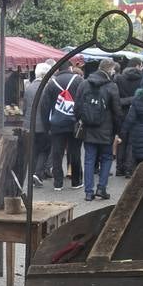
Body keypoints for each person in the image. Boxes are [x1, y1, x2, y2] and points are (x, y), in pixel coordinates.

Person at [75, 58, 123, 201]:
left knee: (89, 159)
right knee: (107, 158)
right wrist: (117, 130)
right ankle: (101, 188)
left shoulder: (84, 84)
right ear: (109, 70)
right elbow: (117, 111)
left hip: (89, 128)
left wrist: (80, 121)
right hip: (106, 129)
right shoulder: (112, 86)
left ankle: (88, 192)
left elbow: (77, 106)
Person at [39, 58, 84, 190]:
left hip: (57, 124)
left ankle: (58, 183)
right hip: (74, 123)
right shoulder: (78, 80)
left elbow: (44, 107)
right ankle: (76, 181)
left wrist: (47, 126)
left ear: (58, 69)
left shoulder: (51, 83)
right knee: (75, 152)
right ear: (70, 68)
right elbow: (82, 102)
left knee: (57, 154)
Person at [22, 61, 54, 182]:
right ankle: (38, 172)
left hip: (29, 124)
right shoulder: (47, 87)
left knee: (33, 150)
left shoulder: (29, 87)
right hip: (43, 125)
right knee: (45, 149)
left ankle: (32, 174)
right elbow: (48, 107)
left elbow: (24, 107)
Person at [114, 63, 143, 176]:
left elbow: (116, 99)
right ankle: (129, 168)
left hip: (121, 113)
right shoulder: (142, 80)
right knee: (132, 141)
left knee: (121, 140)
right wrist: (134, 99)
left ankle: (119, 168)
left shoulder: (119, 79)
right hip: (136, 113)